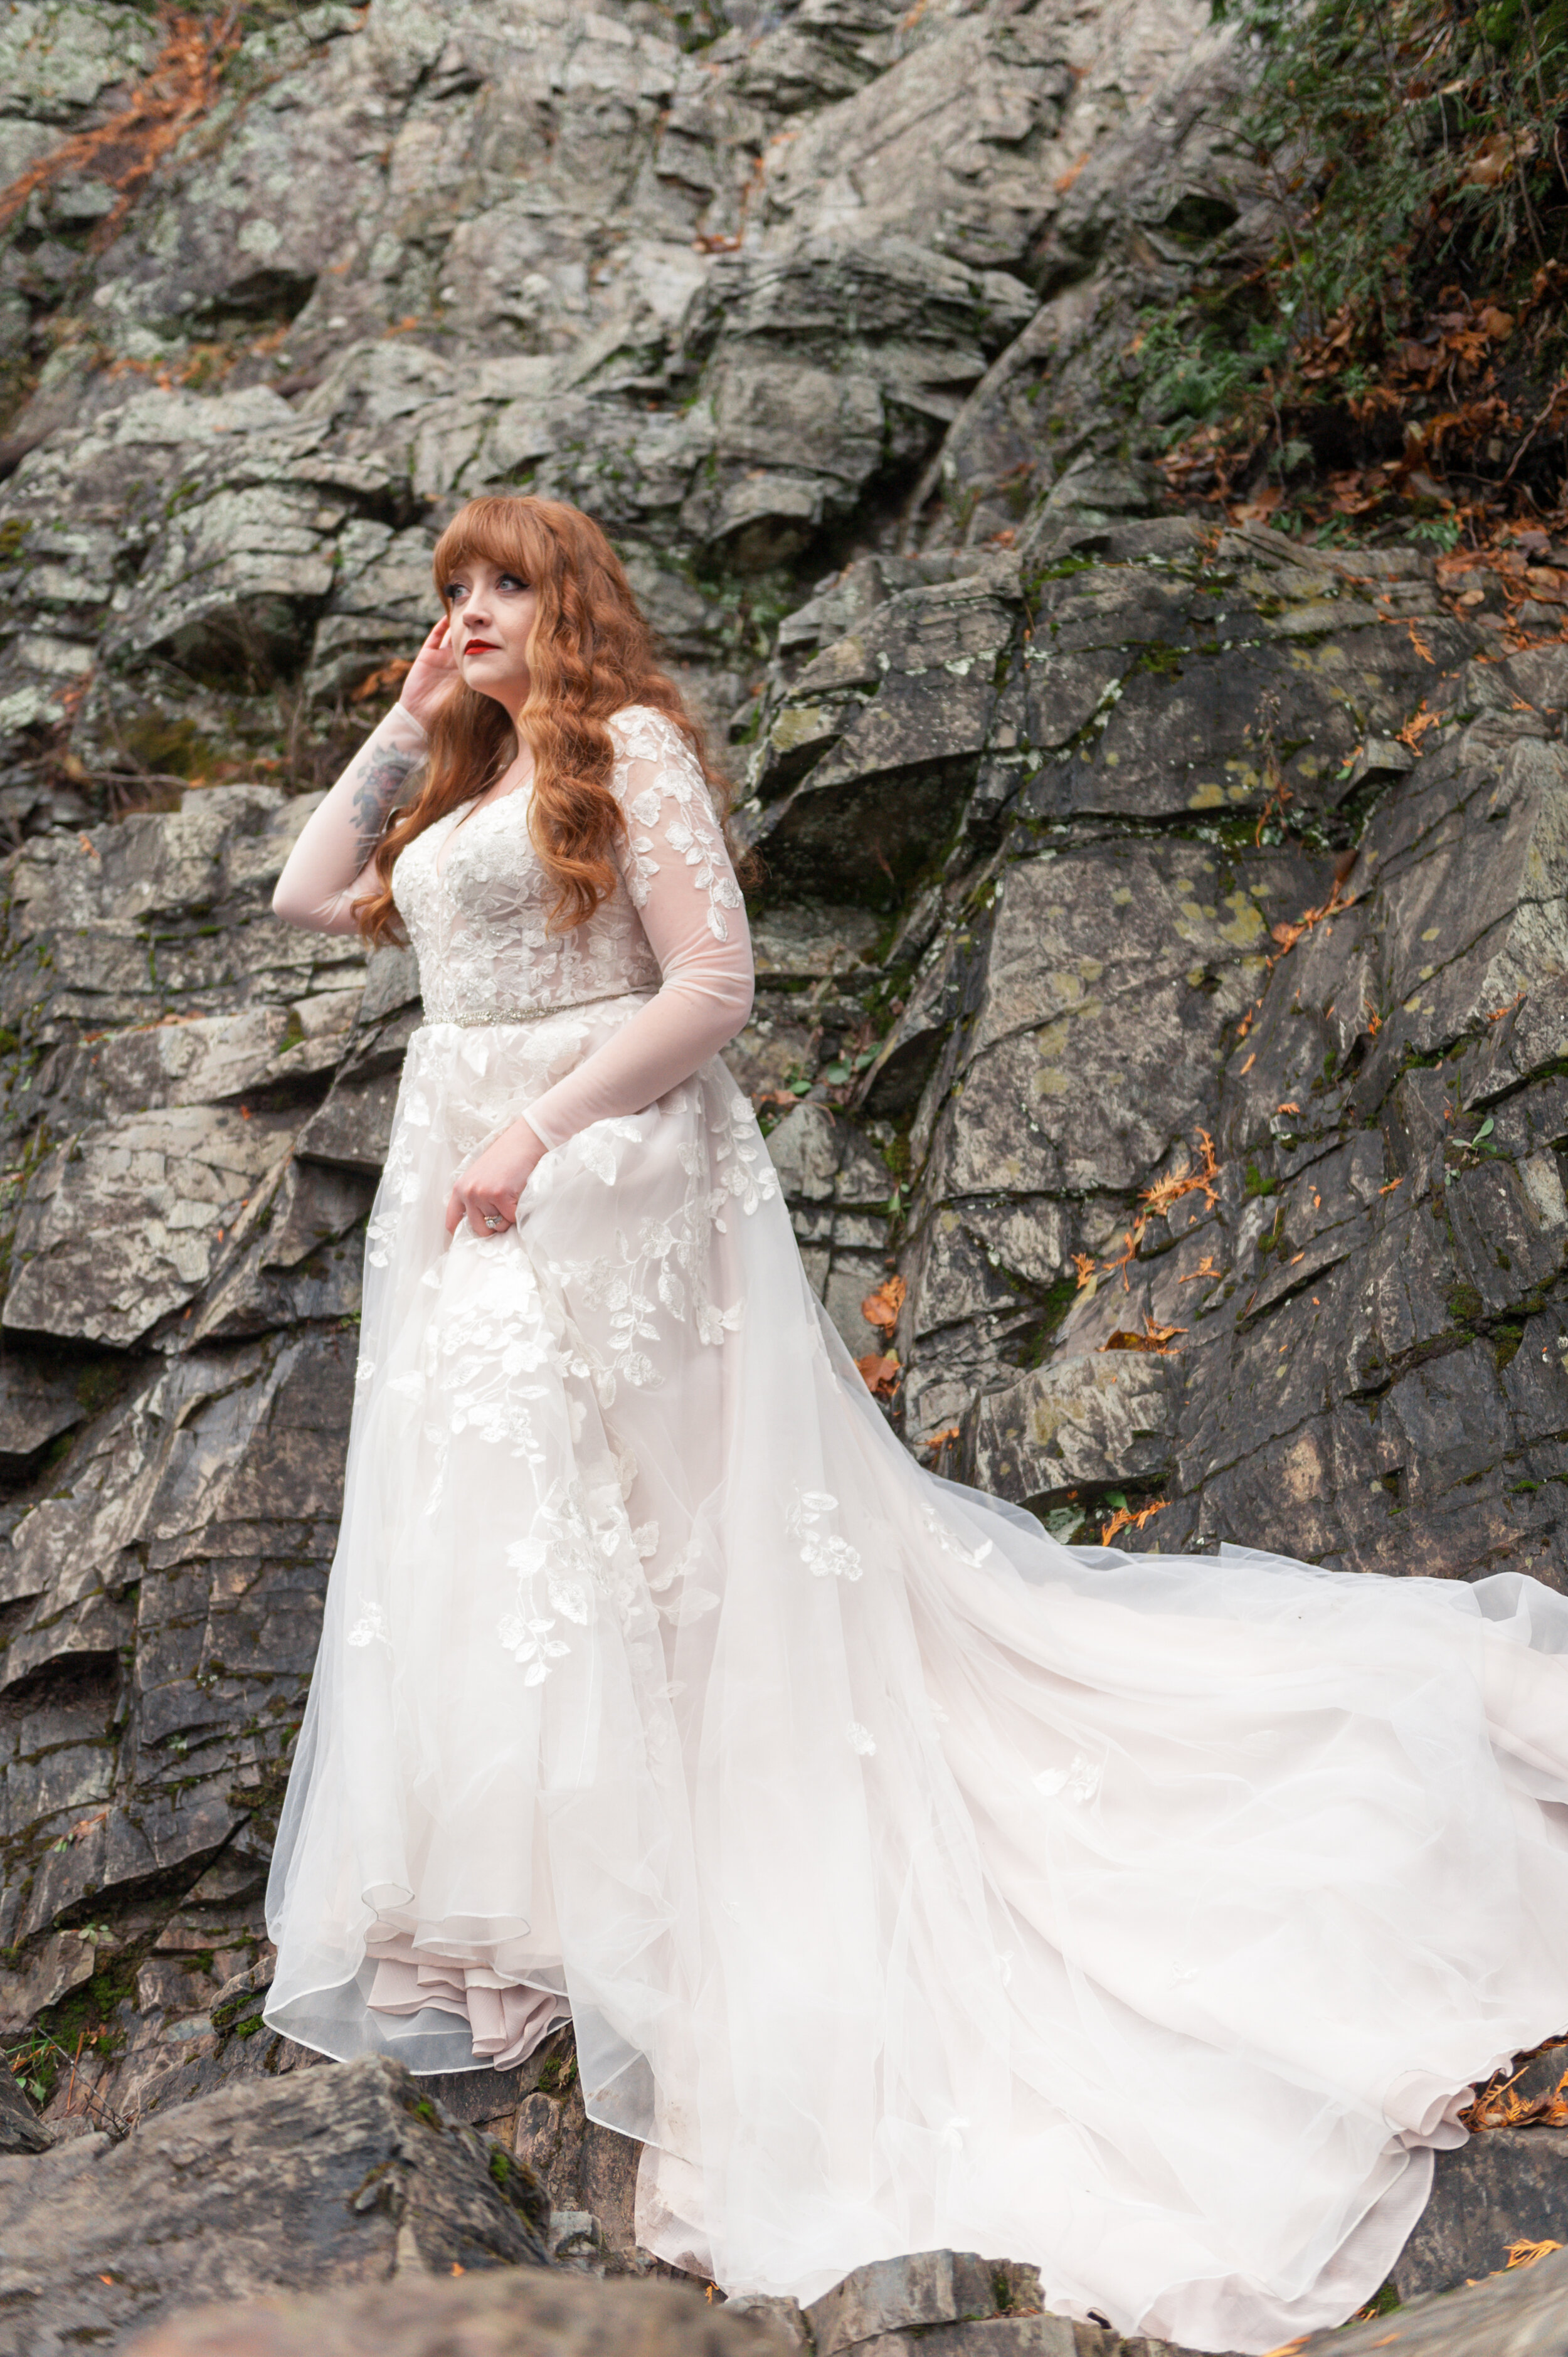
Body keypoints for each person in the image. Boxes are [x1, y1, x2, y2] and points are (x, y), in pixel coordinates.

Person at [265, 493, 1568, 2353]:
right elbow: (306, 895)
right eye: (451, 588)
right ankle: (565, 1881)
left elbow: (711, 990)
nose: (472, 611)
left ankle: (711, 1840)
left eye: (502, 586)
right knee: (511, 1527)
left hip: (597, 1169)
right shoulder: (456, 781)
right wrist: (403, 716)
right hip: (462, 1178)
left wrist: (536, 1131)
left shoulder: (627, 747)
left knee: (650, 1522)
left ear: (574, 601)